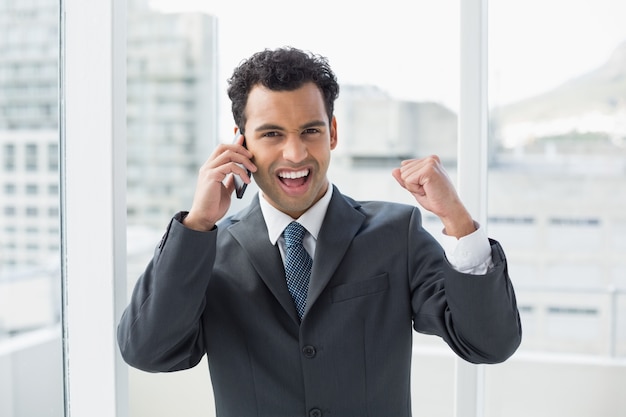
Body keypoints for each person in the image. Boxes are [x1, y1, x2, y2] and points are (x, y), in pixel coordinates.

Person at [118, 46, 522, 417]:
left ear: (332, 133)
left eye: (310, 131)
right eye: (272, 134)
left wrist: (457, 220)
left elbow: (488, 342)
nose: (295, 154)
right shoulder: (209, 250)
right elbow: (149, 351)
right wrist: (198, 224)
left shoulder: (397, 233)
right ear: (242, 142)